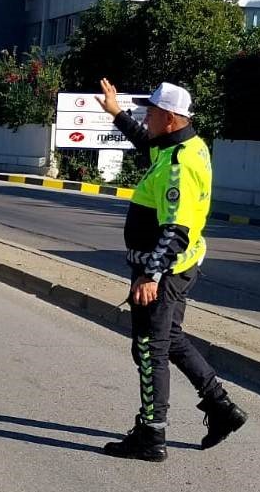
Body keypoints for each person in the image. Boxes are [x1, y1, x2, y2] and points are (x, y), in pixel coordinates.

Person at [95, 78, 247, 462]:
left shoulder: (180, 164)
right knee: (170, 338)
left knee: (149, 347)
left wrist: (151, 276)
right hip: (178, 266)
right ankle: (221, 407)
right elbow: (147, 142)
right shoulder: (183, 145)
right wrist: (117, 113)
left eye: (152, 113)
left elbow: (176, 229)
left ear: (171, 117)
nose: (147, 118)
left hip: (164, 269)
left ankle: (151, 435)